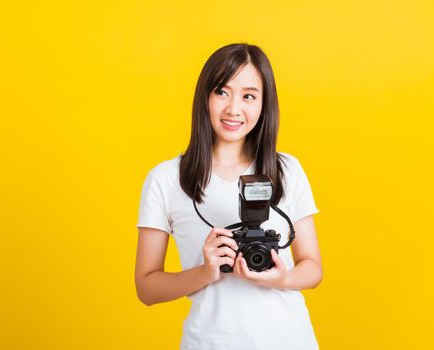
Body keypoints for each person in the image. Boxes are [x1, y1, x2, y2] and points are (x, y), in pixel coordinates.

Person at [135, 43, 323, 350]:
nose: (234, 108)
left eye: (249, 96)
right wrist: (206, 272)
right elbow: (146, 288)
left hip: (291, 340)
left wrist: (278, 278)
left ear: (264, 104)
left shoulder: (287, 170)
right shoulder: (166, 179)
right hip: (209, 342)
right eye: (222, 92)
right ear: (205, 97)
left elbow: (313, 268)